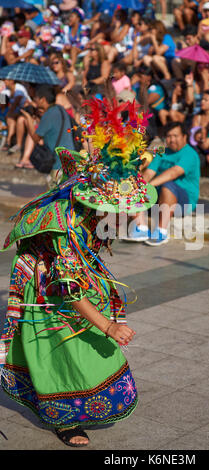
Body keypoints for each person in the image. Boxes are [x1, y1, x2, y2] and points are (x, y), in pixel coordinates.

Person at [0, 96, 158, 447]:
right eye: (123, 210)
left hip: (71, 276)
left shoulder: (91, 208)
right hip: (49, 289)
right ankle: (65, 419)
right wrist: (109, 325)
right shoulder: (66, 228)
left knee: (91, 344)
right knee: (62, 351)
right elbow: (70, 291)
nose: (130, 216)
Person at [127, 121, 200, 246]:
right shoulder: (163, 152)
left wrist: (149, 186)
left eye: (175, 136)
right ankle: (141, 228)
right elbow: (149, 173)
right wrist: (139, 187)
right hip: (159, 198)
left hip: (183, 201)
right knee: (135, 185)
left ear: (184, 136)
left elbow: (173, 173)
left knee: (168, 185)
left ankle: (161, 231)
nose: (172, 140)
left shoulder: (190, 154)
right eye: (169, 136)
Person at [20, 85, 75, 184]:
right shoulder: (60, 109)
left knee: (54, 197)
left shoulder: (49, 114)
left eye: (35, 98)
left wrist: (28, 119)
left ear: (43, 99)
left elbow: (36, 139)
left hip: (58, 166)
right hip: (69, 162)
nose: (35, 101)